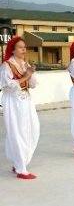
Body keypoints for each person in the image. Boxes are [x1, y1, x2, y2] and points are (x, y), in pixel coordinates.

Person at [0, 37, 39, 180]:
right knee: (18, 131)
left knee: (32, 129)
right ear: (13, 49)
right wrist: (25, 76)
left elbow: (33, 84)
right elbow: (6, 85)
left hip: (26, 100)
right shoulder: (6, 65)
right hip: (13, 101)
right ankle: (21, 168)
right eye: (20, 47)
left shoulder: (25, 63)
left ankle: (19, 162)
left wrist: (31, 73)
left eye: (24, 47)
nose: (24, 49)